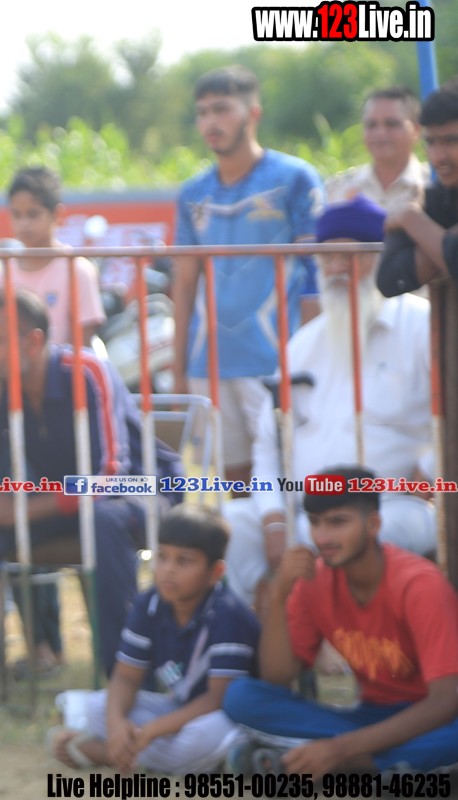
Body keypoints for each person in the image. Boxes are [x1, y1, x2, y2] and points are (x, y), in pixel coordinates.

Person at [0, 289, 144, 703]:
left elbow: (111, 477)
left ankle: (127, 684)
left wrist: (21, 509)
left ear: (33, 341)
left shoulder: (88, 370)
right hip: (63, 504)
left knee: (104, 519)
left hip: (136, 495)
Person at [224, 197, 436, 608]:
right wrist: (273, 520)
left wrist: (427, 473)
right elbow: (268, 444)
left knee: (354, 532)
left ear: (381, 257)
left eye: (350, 255)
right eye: (327, 256)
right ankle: (261, 637)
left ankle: (355, 640)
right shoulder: (304, 344)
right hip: (305, 507)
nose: (337, 267)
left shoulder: (420, 326)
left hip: (395, 505)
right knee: (232, 525)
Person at [223, 466, 458, 777]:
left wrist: (340, 749)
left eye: (338, 522)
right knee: (241, 696)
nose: (323, 537)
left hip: (432, 719)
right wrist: (279, 594)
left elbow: (446, 701)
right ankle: (388, 765)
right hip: (366, 719)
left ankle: (340, 762)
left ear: (373, 524)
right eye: (315, 522)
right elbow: (276, 679)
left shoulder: (419, 584)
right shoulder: (313, 581)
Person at [172, 66, 324, 489]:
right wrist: (179, 369)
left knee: (291, 477)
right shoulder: (191, 193)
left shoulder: (294, 178)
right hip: (208, 363)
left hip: (277, 363)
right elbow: (183, 285)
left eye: (221, 109)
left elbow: (316, 276)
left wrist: (311, 360)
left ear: (253, 112)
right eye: (202, 112)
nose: (210, 121)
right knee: (234, 483)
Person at [49, 505, 258, 774]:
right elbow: (126, 677)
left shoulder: (228, 615)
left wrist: (152, 730)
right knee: (95, 707)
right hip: (180, 707)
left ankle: (107, 754)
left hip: (222, 715)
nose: (168, 569)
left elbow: (217, 698)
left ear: (215, 572)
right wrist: (116, 726)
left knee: (202, 738)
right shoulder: (148, 604)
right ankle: (131, 751)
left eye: (184, 561)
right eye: (162, 556)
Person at [0, 167, 104, 346]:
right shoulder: (2, 274)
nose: (24, 223)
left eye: (33, 214)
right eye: (16, 214)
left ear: (56, 214)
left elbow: (83, 345)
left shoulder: (78, 271)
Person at [378, 78, 458, 297]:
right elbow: (390, 280)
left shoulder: (413, 212)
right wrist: (445, 243)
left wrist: (411, 220)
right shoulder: (429, 201)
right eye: (430, 142)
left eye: (451, 141)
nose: (438, 156)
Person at [327, 87, 425, 211]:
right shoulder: (336, 190)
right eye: (371, 125)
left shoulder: (432, 185)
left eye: (392, 124)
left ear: (416, 130)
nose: (380, 133)